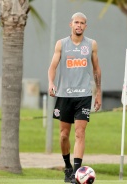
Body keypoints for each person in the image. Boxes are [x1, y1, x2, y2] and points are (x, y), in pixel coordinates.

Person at [47, 12, 102, 183]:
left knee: (80, 133)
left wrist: (98, 92)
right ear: (71, 24)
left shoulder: (91, 45)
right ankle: (68, 167)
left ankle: (77, 174)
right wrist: (51, 82)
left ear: (86, 26)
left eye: (82, 23)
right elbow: (53, 66)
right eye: (76, 22)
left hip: (84, 95)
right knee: (64, 135)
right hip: (64, 95)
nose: (79, 25)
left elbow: (96, 70)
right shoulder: (61, 44)